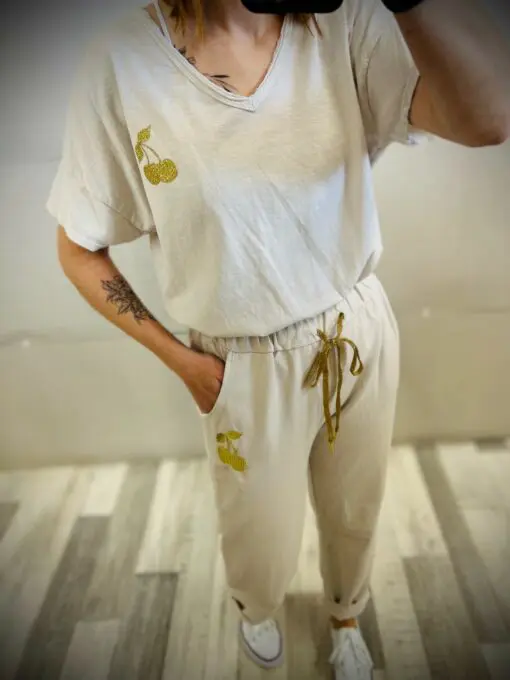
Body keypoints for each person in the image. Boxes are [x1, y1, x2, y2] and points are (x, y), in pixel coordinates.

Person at [48, 0, 508, 677]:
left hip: (355, 329)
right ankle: (256, 608)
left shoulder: (343, 25)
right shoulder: (124, 64)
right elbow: (78, 249)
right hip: (240, 363)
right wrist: (185, 364)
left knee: (355, 509)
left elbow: (488, 122)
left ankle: (346, 615)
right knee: (258, 533)